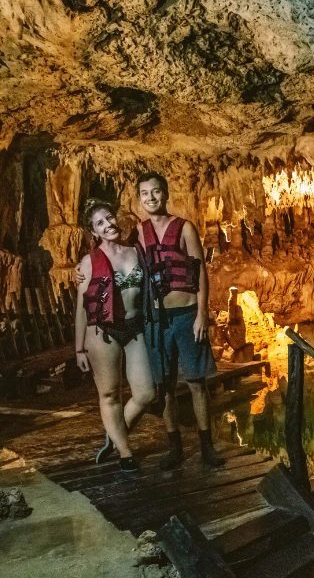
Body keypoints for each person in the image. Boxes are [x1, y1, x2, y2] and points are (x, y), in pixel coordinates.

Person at [136, 172, 225, 469]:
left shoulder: (185, 228)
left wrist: (202, 314)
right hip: (157, 321)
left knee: (197, 382)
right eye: (145, 193)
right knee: (165, 387)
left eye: (156, 192)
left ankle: (206, 445)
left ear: (166, 194)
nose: (151, 198)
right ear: (140, 199)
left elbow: (199, 272)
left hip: (187, 315)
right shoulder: (138, 233)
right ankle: (173, 446)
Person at [74, 199, 155, 472]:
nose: (108, 225)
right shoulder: (88, 262)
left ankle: (115, 433)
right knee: (110, 395)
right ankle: (125, 453)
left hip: (134, 328)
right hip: (102, 332)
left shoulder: (136, 251)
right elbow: (81, 309)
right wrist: (79, 349)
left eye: (109, 218)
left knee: (145, 393)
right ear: (93, 232)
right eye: (100, 223)